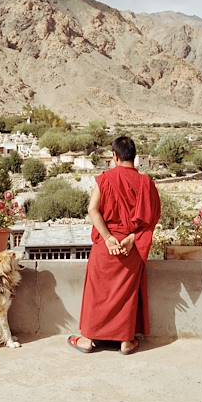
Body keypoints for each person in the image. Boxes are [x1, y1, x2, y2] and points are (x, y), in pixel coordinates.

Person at [68, 136, 161, 355]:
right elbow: (152, 217)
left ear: (115, 156)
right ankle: (126, 342)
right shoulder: (146, 182)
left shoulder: (106, 179)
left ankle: (87, 339)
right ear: (134, 157)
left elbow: (93, 209)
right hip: (132, 246)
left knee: (96, 292)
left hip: (105, 246)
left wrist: (109, 237)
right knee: (127, 294)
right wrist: (130, 238)